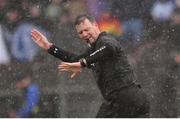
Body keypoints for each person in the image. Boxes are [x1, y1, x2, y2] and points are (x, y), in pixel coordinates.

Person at [31, 14, 149, 117]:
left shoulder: (105, 41)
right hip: (130, 100)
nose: (84, 34)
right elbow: (75, 60)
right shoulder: (93, 51)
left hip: (124, 99)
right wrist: (49, 47)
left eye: (87, 29)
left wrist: (83, 63)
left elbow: (109, 48)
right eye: (81, 32)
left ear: (96, 26)